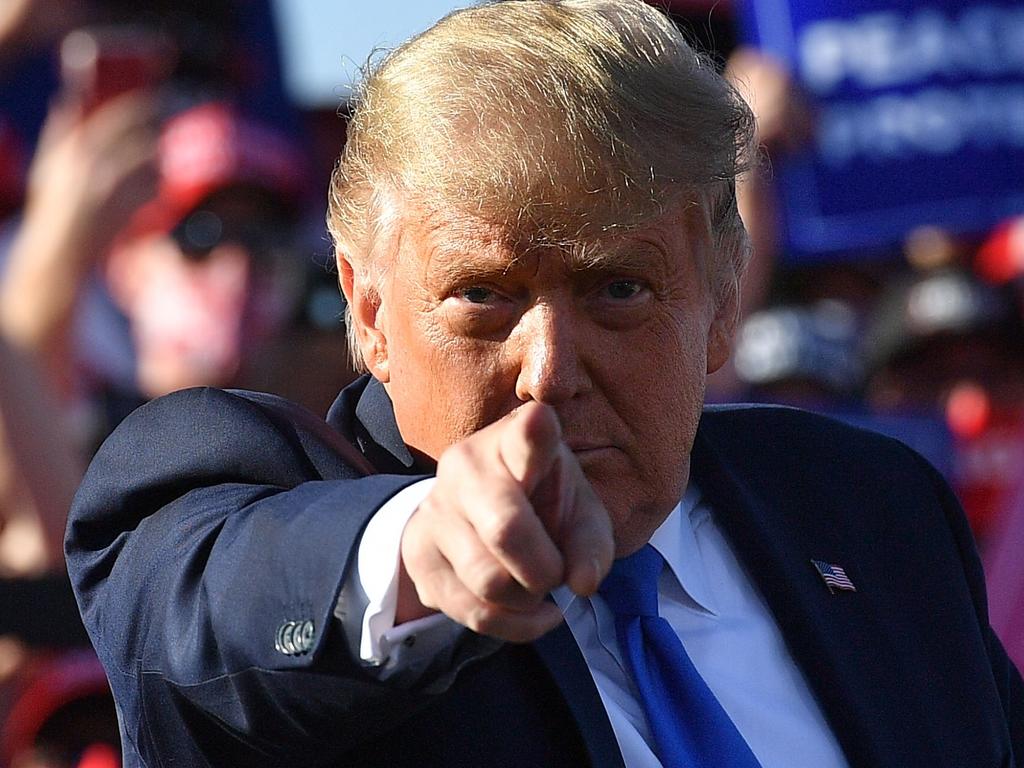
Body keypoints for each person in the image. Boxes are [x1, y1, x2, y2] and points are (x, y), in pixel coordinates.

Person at [66, 1, 1023, 766]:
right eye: (482, 296)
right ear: (368, 313)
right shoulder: (227, 484)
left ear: (724, 296)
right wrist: (424, 554)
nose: (551, 370)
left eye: (619, 289)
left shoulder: (871, 506)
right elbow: (213, 609)